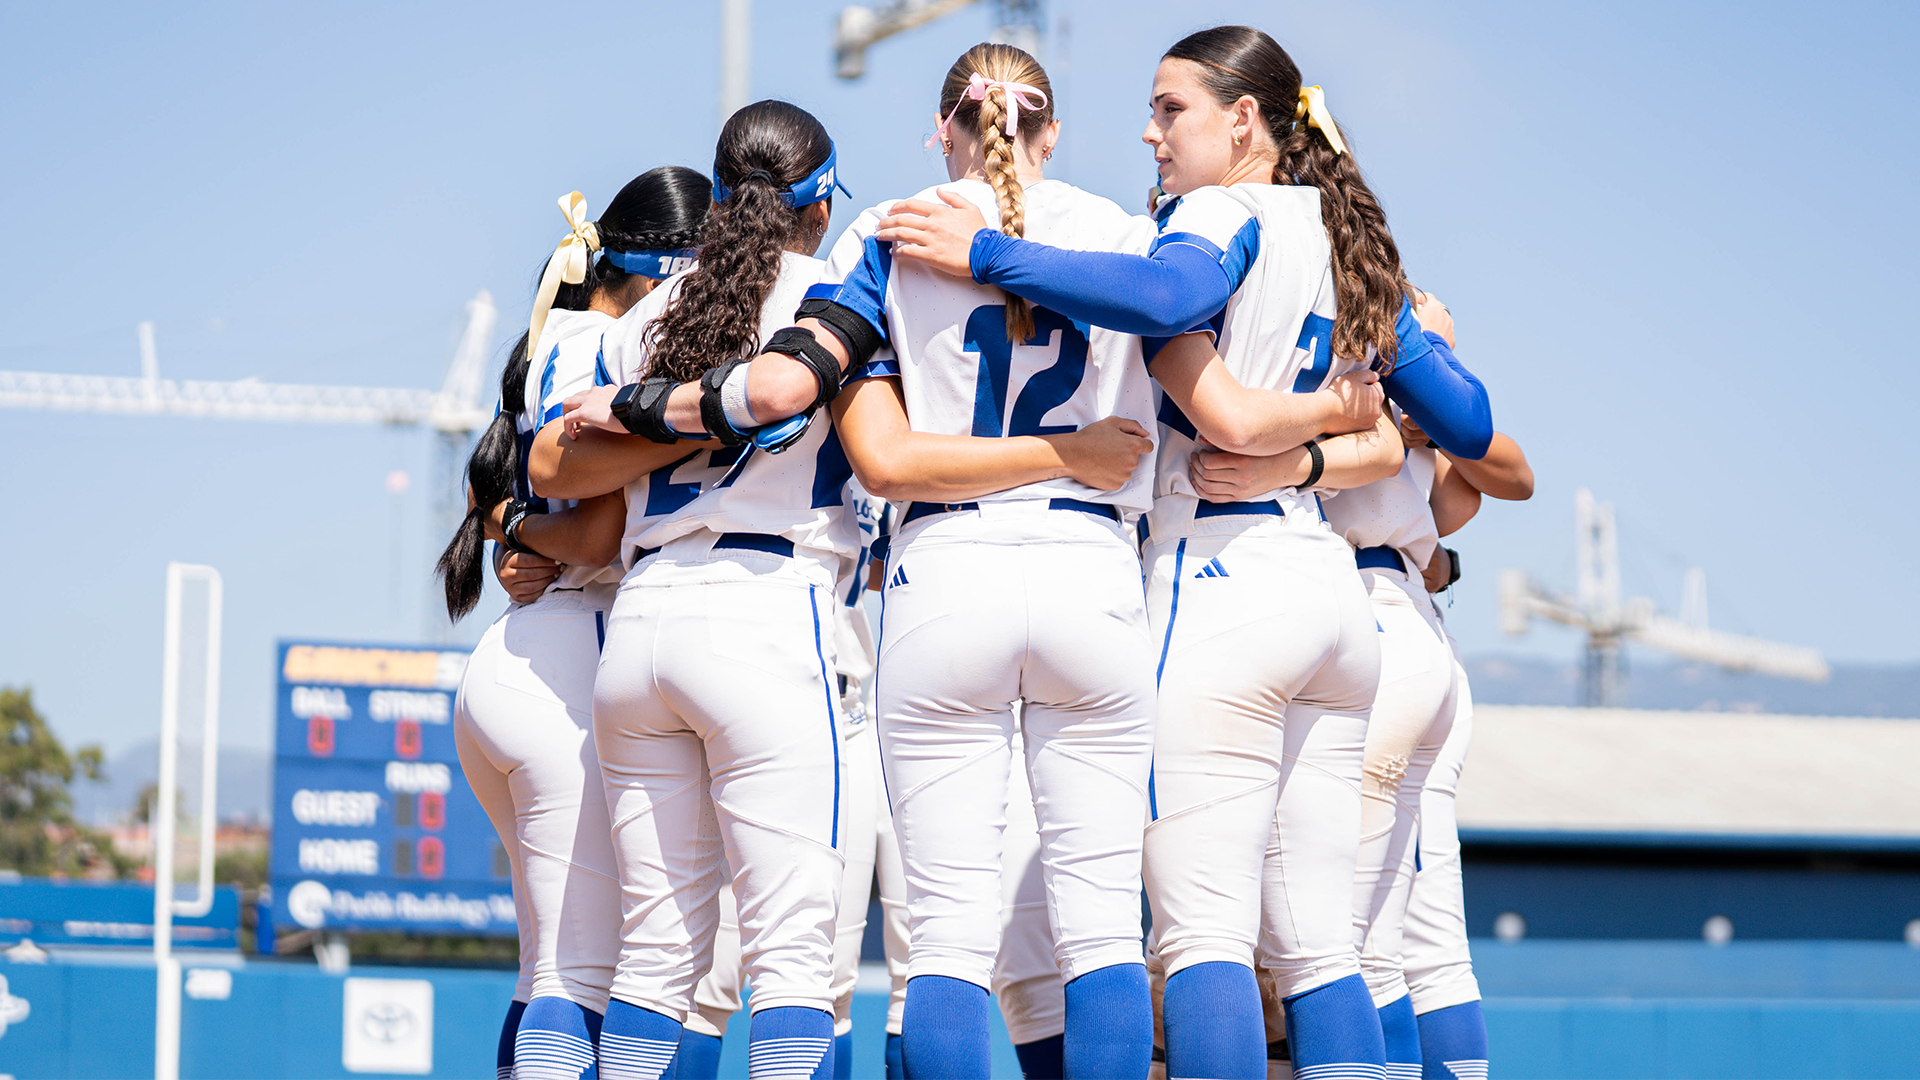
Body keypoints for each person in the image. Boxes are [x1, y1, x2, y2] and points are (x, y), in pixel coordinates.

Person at [875, 25, 1461, 1080]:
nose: (1149, 133)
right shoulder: (1341, 236)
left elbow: (1182, 333)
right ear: (1046, 126)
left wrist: (984, 256)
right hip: (1332, 591)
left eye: (1169, 110)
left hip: (1207, 588)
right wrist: (1324, 433)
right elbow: (1460, 417)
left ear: (1244, 119)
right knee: (1329, 946)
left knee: (1195, 942)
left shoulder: (1184, 222)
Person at [435, 167, 710, 1080]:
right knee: (585, 972)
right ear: (658, 266)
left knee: (548, 966)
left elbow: (525, 502)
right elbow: (595, 529)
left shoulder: (558, 335)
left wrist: (510, 526)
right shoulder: (615, 340)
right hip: (573, 653)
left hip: (514, 659)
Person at [1400, 402, 1533, 1080]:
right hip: (1393, 632)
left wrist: (1432, 417)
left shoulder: (1391, 353)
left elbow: (1509, 474)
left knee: (1377, 945)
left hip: (1388, 643)